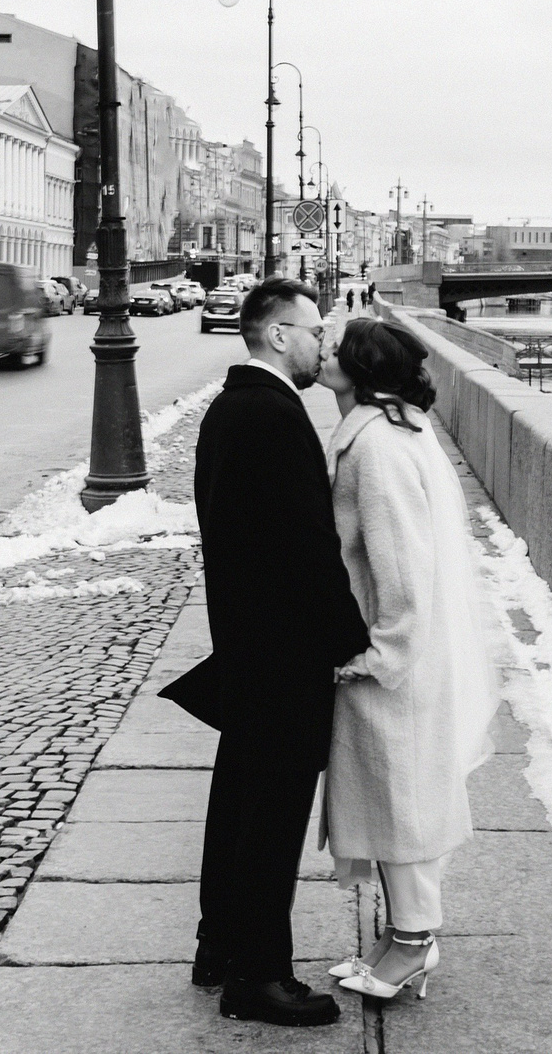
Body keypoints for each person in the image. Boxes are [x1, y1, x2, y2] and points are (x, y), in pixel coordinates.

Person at [171, 278, 370, 1027]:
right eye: (316, 330)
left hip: (245, 646)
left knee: (236, 808)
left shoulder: (231, 408)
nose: (324, 343)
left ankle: (218, 942)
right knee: (271, 820)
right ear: (280, 333)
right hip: (282, 657)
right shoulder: (275, 416)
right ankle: (258, 977)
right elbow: (309, 548)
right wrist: (350, 637)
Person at [318, 316, 497, 1005]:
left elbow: (402, 565)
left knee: (405, 803)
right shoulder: (394, 429)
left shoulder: (379, 447)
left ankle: (415, 943)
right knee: (397, 801)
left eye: (337, 349)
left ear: (361, 371)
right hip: (397, 651)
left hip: (392, 658)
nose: (324, 353)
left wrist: (379, 654)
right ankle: (400, 938)